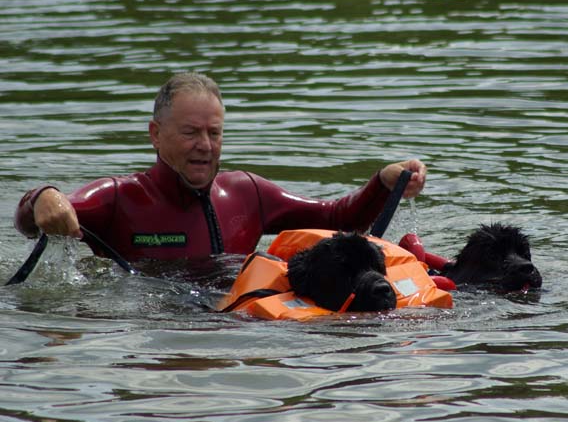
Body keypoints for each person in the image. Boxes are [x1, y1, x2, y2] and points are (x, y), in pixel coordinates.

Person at [14, 72, 427, 264]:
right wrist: (43, 197)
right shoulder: (119, 198)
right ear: (155, 134)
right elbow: (38, 217)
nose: (205, 146)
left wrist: (381, 182)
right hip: (150, 325)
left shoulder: (247, 192)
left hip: (236, 325)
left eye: (214, 133)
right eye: (191, 132)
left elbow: (338, 218)